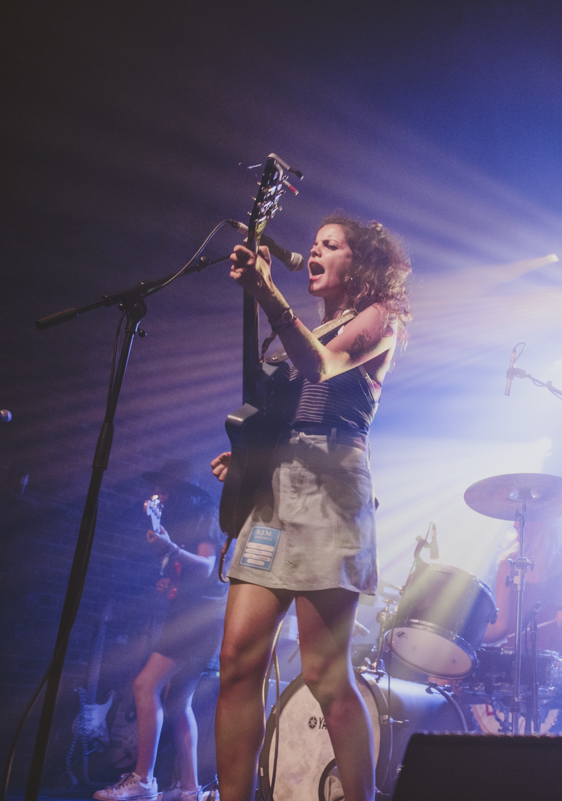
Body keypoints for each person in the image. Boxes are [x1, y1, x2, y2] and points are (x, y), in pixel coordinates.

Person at [210, 213, 410, 801]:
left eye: (331, 245)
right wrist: (246, 458)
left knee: (325, 676)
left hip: (331, 493)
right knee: (236, 662)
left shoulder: (380, 319)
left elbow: (323, 368)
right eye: (314, 244)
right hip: (276, 494)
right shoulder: (303, 329)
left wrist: (267, 294)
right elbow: (284, 405)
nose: (314, 252)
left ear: (360, 262)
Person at [95, 461, 226, 801]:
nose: (162, 496)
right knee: (178, 701)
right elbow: (191, 572)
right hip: (192, 614)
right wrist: (171, 577)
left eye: (166, 489)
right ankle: (190, 789)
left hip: (198, 618)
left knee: (144, 684)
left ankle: (143, 778)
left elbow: (209, 566)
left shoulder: (205, 514)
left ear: (182, 490)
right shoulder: (179, 522)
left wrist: (171, 549)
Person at [481, 517, 562, 732]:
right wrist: (465, 636)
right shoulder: (508, 565)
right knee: (453, 672)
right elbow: (500, 626)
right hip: (516, 660)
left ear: (545, 519)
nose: (514, 524)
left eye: (522, 519)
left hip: (561, 659)